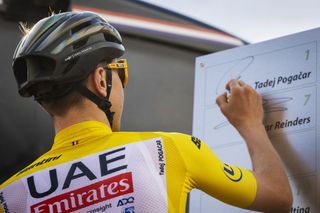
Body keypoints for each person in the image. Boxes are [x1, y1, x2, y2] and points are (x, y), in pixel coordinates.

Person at [0, 11, 292, 213]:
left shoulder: (8, 196)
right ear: (101, 80)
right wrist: (251, 123)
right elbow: (278, 197)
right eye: (121, 73)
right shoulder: (168, 150)